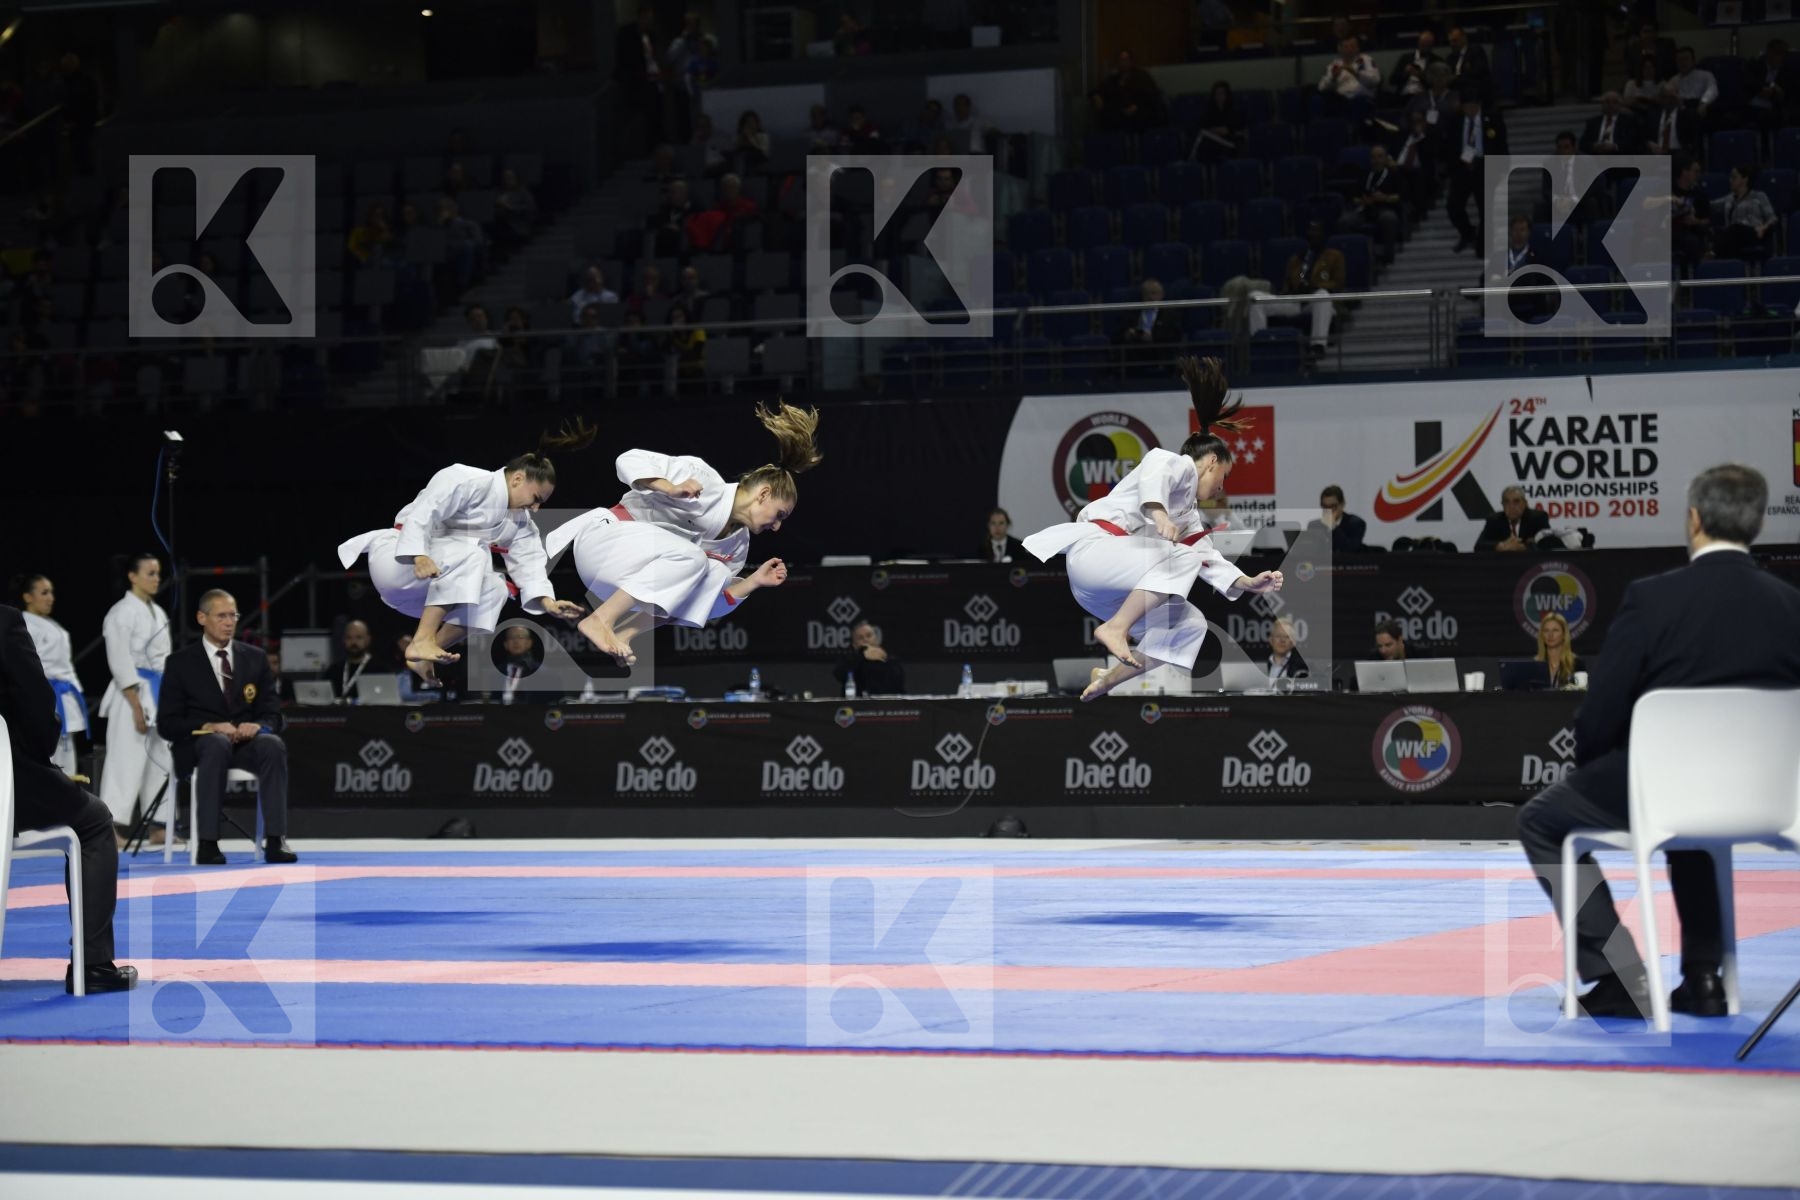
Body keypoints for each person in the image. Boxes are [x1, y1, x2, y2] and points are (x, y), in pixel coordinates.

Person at [1517, 464, 1800, 1020]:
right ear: (1760, 524)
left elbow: (1600, 714)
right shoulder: (1793, 606)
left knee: (1540, 820)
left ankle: (1619, 977)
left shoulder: (1653, 599)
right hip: (1776, 798)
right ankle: (1703, 977)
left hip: (1672, 788)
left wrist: (1595, 768)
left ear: (1693, 519)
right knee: (1692, 808)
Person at [1022, 357, 1283, 701]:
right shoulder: (1174, 462)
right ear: (1212, 462)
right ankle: (1116, 629)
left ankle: (1109, 678)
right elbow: (1154, 477)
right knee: (1182, 557)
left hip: (1104, 591)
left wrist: (1247, 583)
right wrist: (1158, 513)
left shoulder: (1188, 514)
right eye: (1225, 476)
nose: (1223, 487)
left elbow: (1207, 558)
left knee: (1189, 624)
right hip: (1094, 553)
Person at [546, 402, 822, 666]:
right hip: (604, 544)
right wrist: (668, 488)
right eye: (780, 515)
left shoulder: (738, 546)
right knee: (693, 559)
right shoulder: (705, 480)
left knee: (707, 575)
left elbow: (704, 604)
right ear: (764, 494)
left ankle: (624, 632)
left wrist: (753, 582)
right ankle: (600, 620)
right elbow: (627, 459)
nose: (777, 526)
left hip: (620, 585)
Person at [336, 425, 594, 688]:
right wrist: (419, 555)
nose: (536, 508)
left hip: (426, 591)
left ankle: (424, 652)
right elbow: (425, 512)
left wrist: (549, 604)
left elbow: (531, 566)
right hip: (397, 563)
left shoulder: (520, 523)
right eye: (536, 498)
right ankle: (423, 637)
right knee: (474, 552)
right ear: (517, 479)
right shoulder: (465, 478)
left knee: (497, 589)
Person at [1, 603, 134, 994]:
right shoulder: (5, 621)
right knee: (94, 821)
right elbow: (35, 702)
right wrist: (40, 757)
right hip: (9, 781)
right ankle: (94, 964)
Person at [155, 590, 294, 867]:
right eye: (222, 616)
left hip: (243, 744)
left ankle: (276, 839)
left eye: (233, 616)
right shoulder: (180, 663)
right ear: (201, 618)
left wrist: (258, 725)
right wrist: (208, 726)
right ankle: (208, 843)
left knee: (273, 745)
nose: (229, 622)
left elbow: (274, 715)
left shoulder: (255, 658)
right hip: (198, 745)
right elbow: (167, 724)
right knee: (216, 743)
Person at [98, 552, 171, 846]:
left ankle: (159, 826)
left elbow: (165, 658)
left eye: (158, 574)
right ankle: (110, 827)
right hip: (131, 694)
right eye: (150, 573)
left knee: (161, 759)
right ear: (132, 576)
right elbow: (119, 659)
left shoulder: (159, 612)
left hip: (158, 691)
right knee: (125, 760)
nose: (156, 579)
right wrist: (135, 703)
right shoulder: (121, 612)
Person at [15, 573, 86, 776]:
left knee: (68, 765)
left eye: (52, 593)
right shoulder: (24, 625)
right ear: (28, 597)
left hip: (63, 697)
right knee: (46, 764)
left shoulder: (54, 626)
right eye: (44, 593)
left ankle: (69, 806)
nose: (50, 598)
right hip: (41, 698)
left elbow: (67, 666)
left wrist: (77, 695)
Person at [1247, 221, 1343, 356]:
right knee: (1255, 296)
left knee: (1322, 294)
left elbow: (1338, 283)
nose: (1313, 234)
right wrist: (1299, 273)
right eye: (1310, 231)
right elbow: (1288, 285)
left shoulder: (1334, 256)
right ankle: (1259, 345)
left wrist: (1315, 285)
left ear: (1323, 235)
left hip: (1318, 302)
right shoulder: (1297, 259)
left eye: (1317, 231)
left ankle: (1318, 346)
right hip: (1296, 300)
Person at [1443, 91, 1507, 254]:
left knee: (1486, 208)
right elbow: (1450, 146)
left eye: (1473, 106)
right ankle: (1468, 233)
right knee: (1454, 206)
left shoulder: (1492, 119)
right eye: (1467, 106)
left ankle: (1484, 244)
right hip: (1463, 168)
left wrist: (1501, 169)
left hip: (1484, 166)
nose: (1470, 109)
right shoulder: (1456, 121)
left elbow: (1501, 145)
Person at [1342, 144, 1403, 263]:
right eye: (1373, 157)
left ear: (1386, 159)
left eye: (1380, 157)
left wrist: (1384, 198)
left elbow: (1400, 196)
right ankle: (1355, 257)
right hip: (1365, 210)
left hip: (1385, 208)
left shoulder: (1393, 174)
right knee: (1344, 221)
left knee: (1389, 218)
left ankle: (1388, 257)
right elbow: (1354, 197)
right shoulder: (1364, 175)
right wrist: (1363, 200)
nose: (1376, 161)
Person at [1711, 165, 1778, 264]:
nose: (1730, 180)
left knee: (1735, 228)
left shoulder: (1759, 196)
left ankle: (1713, 253)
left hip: (1754, 233)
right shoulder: (1729, 199)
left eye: (1734, 177)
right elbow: (1711, 206)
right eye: (1730, 177)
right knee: (1727, 234)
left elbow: (1772, 218)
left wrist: (1763, 228)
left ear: (1745, 179)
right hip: (1734, 237)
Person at [834, 621, 906, 696]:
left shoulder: (890, 659)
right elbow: (840, 675)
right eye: (860, 638)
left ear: (876, 639)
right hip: (857, 705)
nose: (865, 640)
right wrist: (863, 656)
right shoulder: (849, 660)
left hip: (885, 704)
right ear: (854, 645)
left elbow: (898, 683)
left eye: (869, 636)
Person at [1475, 484, 1551, 551]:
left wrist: (1524, 547)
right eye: (1507, 502)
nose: (1511, 507)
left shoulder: (1538, 518)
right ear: (1502, 504)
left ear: (1525, 503)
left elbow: (1548, 544)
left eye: (1516, 501)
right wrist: (1500, 546)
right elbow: (1479, 546)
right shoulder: (1494, 520)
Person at [1317, 36, 1380, 116]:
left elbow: (1375, 80)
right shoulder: (1334, 65)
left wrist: (1356, 73)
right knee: (1318, 100)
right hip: (1339, 100)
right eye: (1346, 47)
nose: (1350, 49)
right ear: (1340, 49)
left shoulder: (1365, 60)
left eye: (1353, 46)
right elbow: (1321, 88)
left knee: (1357, 101)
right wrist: (1334, 78)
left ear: (1358, 48)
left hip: (1361, 98)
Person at [1192, 81, 1245, 162]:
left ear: (1227, 95)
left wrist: (1215, 130)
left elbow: (1228, 130)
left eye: (1222, 93)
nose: (1219, 96)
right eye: (1216, 93)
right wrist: (1217, 130)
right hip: (1213, 142)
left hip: (1229, 143)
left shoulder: (1233, 110)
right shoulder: (1209, 110)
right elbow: (1201, 127)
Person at [1306, 485, 1367, 553]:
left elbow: (1351, 550)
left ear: (1342, 505)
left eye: (1333, 506)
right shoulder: (1315, 526)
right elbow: (1311, 552)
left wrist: (1333, 527)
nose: (1329, 510)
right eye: (1325, 507)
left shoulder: (1356, 524)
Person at [1580, 92, 1642, 157]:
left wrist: (1615, 147)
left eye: (1614, 102)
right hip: (1597, 158)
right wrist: (1594, 146)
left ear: (1619, 105)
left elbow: (1633, 143)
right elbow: (1583, 144)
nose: (1610, 105)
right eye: (1607, 102)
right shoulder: (1593, 122)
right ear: (1602, 104)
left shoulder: (1628, 122)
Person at [1534, 611, 1581, 689]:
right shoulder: (1534, 665)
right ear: (1542, 635)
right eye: (1546, 631)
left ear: (1564, 634)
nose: (1550, 635)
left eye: (1555, 630)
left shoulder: (1577, 664)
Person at [333, 619, 378, 701]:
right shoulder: (333, 671)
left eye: (359, 637)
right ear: (343, 640)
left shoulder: (380, 670)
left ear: (368, 639)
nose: (353, 642)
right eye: (349, 638)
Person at [1388, 30, 1440, 99]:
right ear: (1419, 43)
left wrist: (1421, 76)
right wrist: (1405, 73)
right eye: (1423, 44)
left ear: (1432, 46)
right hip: (1404, 95)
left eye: (1428, 45)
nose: (1425, 47)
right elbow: (1392, 80)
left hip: (1424, 97)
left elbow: (1437, 85)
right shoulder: (1406, 58)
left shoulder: (1436, 61)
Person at [1263, 615, 1310, 682]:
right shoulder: (1259, 666)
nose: (1282, 640)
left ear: (1293, 642)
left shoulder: (1303, 668)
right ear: (1271, 640)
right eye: (1278, 636)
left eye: (1287, 637)